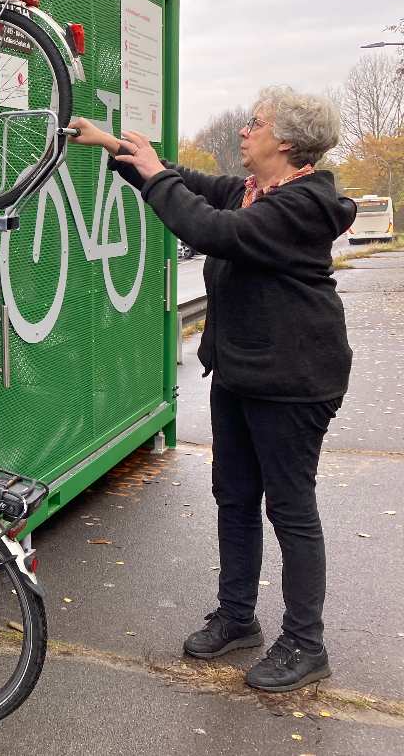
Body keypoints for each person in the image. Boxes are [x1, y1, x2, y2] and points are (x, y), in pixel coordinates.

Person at [69, 85, 355, 692]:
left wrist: (152, 176)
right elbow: (190, 183)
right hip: (242, 372)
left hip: (294, 379)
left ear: (285, 142)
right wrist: (117, 146)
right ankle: (237, 615)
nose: (244, 131)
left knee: (291, 509)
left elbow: (211, 228)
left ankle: (307, 643)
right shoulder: (257, 190)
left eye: (255, 123)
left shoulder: (302, 205)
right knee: (235, 496)